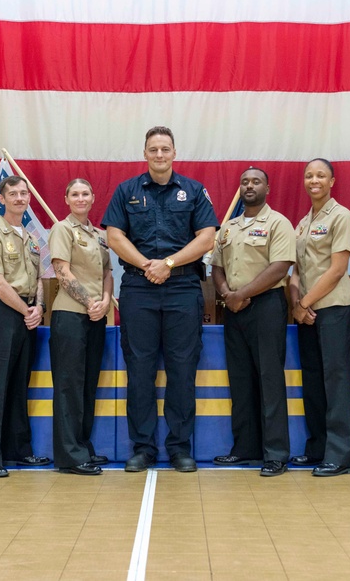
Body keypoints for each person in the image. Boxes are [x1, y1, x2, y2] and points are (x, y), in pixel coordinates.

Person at [102, 126, 218, 472]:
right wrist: (147, 266)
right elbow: (114, 236)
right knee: (140, 370)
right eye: (153, 149)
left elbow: (207, 238)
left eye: (165, 149)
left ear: (174, 153)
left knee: (182, 370)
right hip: (138, 289)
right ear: (145, 154)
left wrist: (168, 264)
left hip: (182, 289)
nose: (159, 155)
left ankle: (180, 447)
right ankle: (143, 448)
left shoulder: (194, 191)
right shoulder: (127, 191)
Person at [211, 167, 295, 477]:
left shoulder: (278, 223)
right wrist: (226, 294)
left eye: (256, 181)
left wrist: (242, 294)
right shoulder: (228, 227)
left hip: (266, 306)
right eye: (245, 181)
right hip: (234, 310)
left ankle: (275, 453)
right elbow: (216, 266)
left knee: (270, 379)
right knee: (241, 380)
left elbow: (280, 267)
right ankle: (244, 448)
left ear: (267, 188)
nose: (249, 185)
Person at [0, 175, 50, 478]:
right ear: (2, 199)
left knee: (20, 385)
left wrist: (40, 308)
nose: (20, 198)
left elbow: (41, 278)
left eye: (24, 193)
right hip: (5, 312)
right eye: (13, 194)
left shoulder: (31, 237)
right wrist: (27, 311)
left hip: (28, 312)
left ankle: (20, 450)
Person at [288, 158, 350, 477]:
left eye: (321, 176)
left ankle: (340, 454)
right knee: (313, 379)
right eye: (309, 175)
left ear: (332, 181)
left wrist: (306, 302)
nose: (314, 180)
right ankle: (318, 447)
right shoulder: (303, 222)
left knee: (335, 379)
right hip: (306, 310)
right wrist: (296, 304)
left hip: (331, 307)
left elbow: (338, 268)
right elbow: (297, 270)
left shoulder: (341, 215)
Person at [49, 179, 114, 476]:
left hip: (96, 315)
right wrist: (90, 303)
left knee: (87, 385)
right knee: (69, 386)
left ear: (93, 197)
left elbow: (107, 273)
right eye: (74, 193)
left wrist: (103, 301)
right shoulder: (62, 230)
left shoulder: (100, 235)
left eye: (85, 193)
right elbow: (63, 271)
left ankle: (82, 446)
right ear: (66, 199)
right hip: (71, 315)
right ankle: (69, 455)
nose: (80, 198)